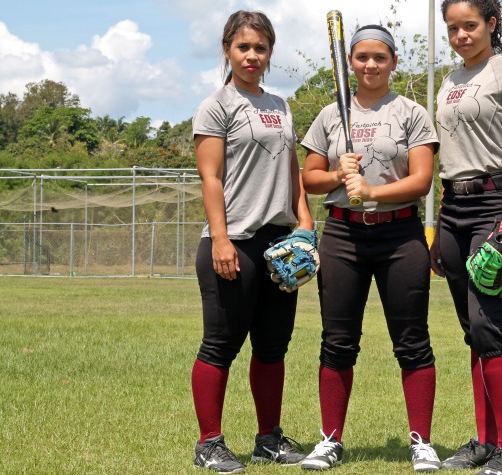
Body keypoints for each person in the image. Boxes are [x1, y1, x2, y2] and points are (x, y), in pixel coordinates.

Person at [299, 24, 441, 473]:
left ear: (394, 62)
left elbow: (422, 181)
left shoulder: (411, 112)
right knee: (338, 342)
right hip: (343, 235)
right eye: (361, 57)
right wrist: (341, 177)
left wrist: (375, 192)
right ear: (350, 63)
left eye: (380, 57)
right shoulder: (328, 115)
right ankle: (330, 440)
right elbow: (309, 178)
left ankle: (421, 442)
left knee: (412, 342)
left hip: (400, 236)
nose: (370, 65)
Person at [190, 10, 314, 474]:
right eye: (243, 47)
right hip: (234, 242)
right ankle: (209, 443)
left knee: (272, 346)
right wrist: (220, 239)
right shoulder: (216, 106)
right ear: (227, 50)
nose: (252, 56)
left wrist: (304, 221)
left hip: (279, 243)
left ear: (269, 53)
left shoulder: (280, 105)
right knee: (220, 345)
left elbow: (291, 171)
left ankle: (268, 439)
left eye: (260, 48)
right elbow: (211, 177)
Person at [430, 1, 502, 475]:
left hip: (496, 205)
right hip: (453, 208)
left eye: (470, 26)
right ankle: (485, 441)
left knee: (488, 326)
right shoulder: (448, 82)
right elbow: (447, 160)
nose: (461, 35)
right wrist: (438, 227)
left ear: (491, 24)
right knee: (473, 333)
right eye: (453, 28)